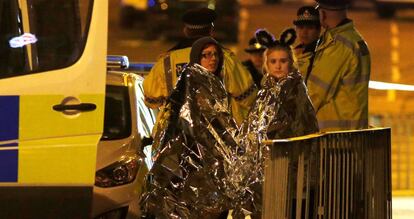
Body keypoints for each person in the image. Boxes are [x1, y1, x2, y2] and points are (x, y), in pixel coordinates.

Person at [237, 29, 319, 217]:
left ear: (291, 63)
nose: (278, 66)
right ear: (266, 64)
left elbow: (300, 126)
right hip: (267, 167)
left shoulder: (295, 90)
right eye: (273, 61)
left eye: (283, 61)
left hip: (290, 166)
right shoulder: (265, 91)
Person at [143, 7, 257, 125]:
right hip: (218, 132)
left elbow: (151, 100)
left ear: (186, 31)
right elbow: (248, 97)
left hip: (176, 132)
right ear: (211, 30)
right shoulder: (224, 58)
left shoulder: (167, 61)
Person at [306, 0, 371, 131]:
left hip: (336, 141)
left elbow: (314, 94)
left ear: (322, 14)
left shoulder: (338, 45)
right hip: (351, 136)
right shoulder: (354, 39)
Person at [292, 6, 321, 80]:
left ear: (318, 30)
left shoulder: (321, 54)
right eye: (301, 27)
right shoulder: (295, 51)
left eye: (310, 28)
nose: (304, 32)